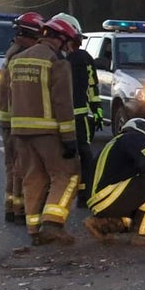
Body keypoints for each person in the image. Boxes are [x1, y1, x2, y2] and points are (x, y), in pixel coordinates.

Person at [8, 15, 81, 246]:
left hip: (20, 131)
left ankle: (34, 229)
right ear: (60, 39)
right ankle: (53, 225)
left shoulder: (16, 60)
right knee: (67, 175)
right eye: (69, 42)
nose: (70, 48)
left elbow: (11, 98)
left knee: (33, 178)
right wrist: (69, 139)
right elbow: (62, 103)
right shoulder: (56, 62)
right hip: (48, 132)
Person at [83, 118, 145, 246]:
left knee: (142, 210)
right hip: (109, 196)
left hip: (100, 201)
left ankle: (103, 224)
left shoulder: (115, 144)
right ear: (143, 129)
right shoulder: (134, 137)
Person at [0, 12, 46, 223]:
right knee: (22, 168)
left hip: (8, 119)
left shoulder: (12, 53)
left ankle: (11, 208)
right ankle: (21, 211)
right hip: (17, 120)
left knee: (13, 167)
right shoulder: (22, 56)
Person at [54, 13, 102, 208]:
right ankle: (85, 193)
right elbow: (92, 86)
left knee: (74, 154)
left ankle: (80, 192)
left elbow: (90, 86)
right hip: (79, 117)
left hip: (66, 117)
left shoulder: (58, 58)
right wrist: (97, 110)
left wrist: (96, 109)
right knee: (83, 154)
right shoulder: (80, 58)